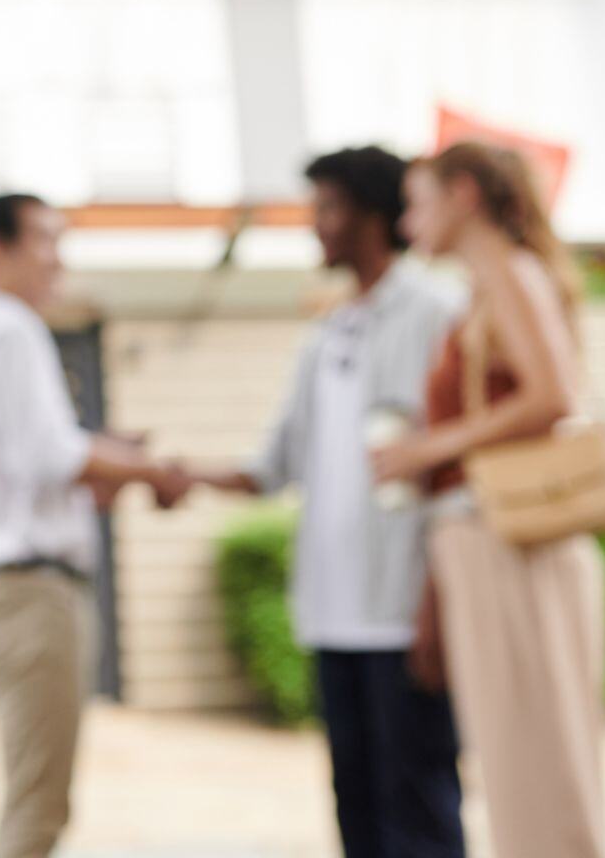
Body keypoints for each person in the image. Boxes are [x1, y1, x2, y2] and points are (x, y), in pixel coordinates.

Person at [183, 148, 467, 858]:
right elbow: (271, 468)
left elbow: (456, 470)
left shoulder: (437, 311)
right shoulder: (325, 335)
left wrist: (436, 602)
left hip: (405, 613)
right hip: (332, 616)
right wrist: (174, 472)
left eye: (329, 208)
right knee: (358, 813)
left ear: (376, 216)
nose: (317, 226)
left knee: (421, 812)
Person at [0, 193, 190, 858]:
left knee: (37, 796)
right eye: (45, 240)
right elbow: (51, 456)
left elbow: (36, 461)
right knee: (39, 806)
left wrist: (108, 461)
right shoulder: (8, 329)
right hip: (29, 597)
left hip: (12, 593)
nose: (58, 259)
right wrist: (146, 468)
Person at [373, 141, 605, 858]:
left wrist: (427, 449)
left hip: (512, 542)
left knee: (542, 765)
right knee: (519, 767)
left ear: (464, 194)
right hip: (481, 543)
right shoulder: (483, 287)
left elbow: (553, 395)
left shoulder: (508, 272)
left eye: (417, 204)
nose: (409, 226)